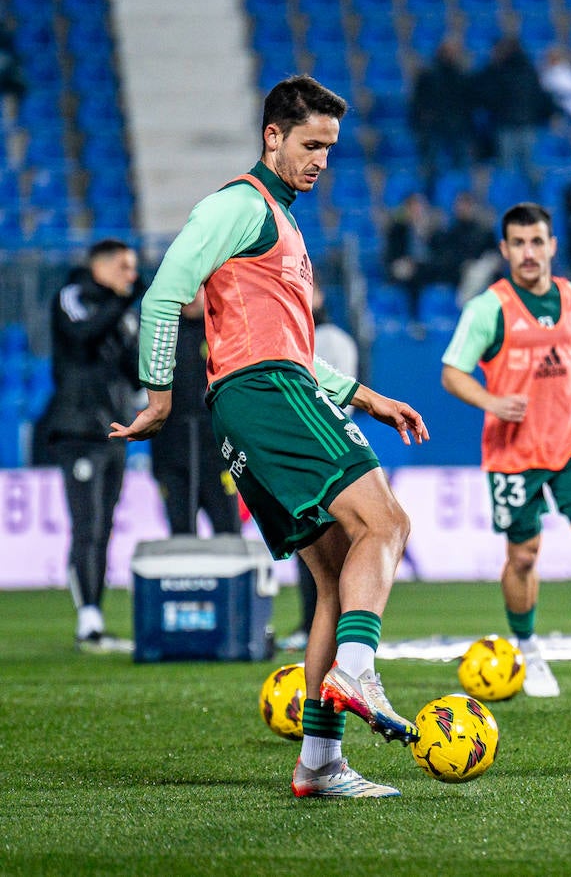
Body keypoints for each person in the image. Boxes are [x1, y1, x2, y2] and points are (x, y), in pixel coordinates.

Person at [110, 76, 430, 799]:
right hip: (265, 393)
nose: (321, 160)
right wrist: (159, 392)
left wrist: (369, 397)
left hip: (266, 392)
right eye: (311, 144)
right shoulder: (237, 206)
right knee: (388, 523)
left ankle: (318, 762)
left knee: (331, 575)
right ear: (273, 136)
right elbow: (165, 293)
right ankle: (358, 669)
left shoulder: (279, 221)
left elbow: (290, 344)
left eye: (330, 149)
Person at [439, 202, 571, 696]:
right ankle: (529, 653)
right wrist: (492, 400)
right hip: (513, 451)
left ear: (552, 245)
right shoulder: (489, 308)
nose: (529, 252)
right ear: (504, 249)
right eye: (519, 243)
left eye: (537, 242)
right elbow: (452, 372)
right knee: (524, 556)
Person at [42, 239, 141, 651]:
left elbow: (135, 375)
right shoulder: (72, 296)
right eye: (124, 266)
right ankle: (89, 622)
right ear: (99, 266)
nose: (131, 276)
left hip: (114, 431)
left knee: (103, 525)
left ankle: (94, 619)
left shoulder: (122, 315)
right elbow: (82, 335)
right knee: (88, 522)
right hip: (78, 429)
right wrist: (124, 306)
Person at [280, 285, 360, 653]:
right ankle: (316, 627)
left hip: (326, 455)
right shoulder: (285, 333)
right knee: (312, 549)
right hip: (300, 455)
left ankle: (340, 631)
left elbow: (338, 400)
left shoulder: (331, 340)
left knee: (329, 550)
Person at [149, 286, 240, 536]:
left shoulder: (224, 331)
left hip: (217, 455)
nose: (189, 296)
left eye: (196, 289)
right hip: (172, 456)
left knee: (228, 532)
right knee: (181, 536)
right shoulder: (160, 335)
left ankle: (230, 577)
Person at [475, 35, 555, 192]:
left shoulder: (501, 72)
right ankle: (525, 198)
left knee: (512, 167)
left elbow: (490, 97)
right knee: (523, 167)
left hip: (510, 125)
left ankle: (525, 198)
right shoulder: (528, 70)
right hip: (521, 124)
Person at [408, 37, 472, 194]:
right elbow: (418, 103)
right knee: (431, 167)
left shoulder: (461, 75)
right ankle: (430, 197)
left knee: (461, 168)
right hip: (433, 129)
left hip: (457, 129)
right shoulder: (428, 75)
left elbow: (468, 103)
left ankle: (461, 197)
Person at [431, 190, 501, 305]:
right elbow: (445, 258)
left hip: (483, 271)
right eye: (461, 204)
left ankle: (468, 302)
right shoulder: (450, 232)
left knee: (483, 268)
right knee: (475, 273)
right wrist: (463, 264)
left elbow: (494, 254)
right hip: (458, 274)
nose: (464, 208)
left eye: (467, 204)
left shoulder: (484, 231)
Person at [384, 191, 440, 319]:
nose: (416, 211)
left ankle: (419, 318)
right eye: (412, 207)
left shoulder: (432, 230)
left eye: (419, 207)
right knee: (405, 273)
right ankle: (411, 318)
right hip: (404, 267)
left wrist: (423, 234)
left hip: (426, 269)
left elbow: (437, 255)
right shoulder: (397, 229)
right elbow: (391, 255)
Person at [538, 46, 571, 125]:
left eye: (557, 57)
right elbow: (549, 90)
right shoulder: (546, 74)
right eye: (552, 57)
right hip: (558, 111)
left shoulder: (567, 71)